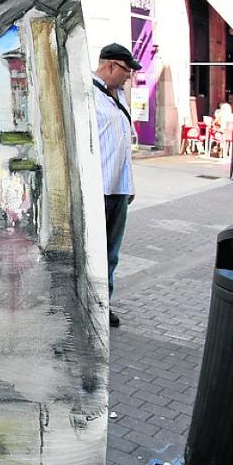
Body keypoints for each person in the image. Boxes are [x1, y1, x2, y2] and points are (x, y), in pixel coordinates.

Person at [93, 43, 141, 328]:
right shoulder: (87, 95)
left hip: (119, 189)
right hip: (98, 189)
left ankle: (103, 305)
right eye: (126, 71)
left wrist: (130, 184)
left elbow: (123, 144)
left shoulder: (118, 96)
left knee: (111, 254)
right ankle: (90, 306)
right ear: (110, 65)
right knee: (95, 253)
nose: (128, 77)